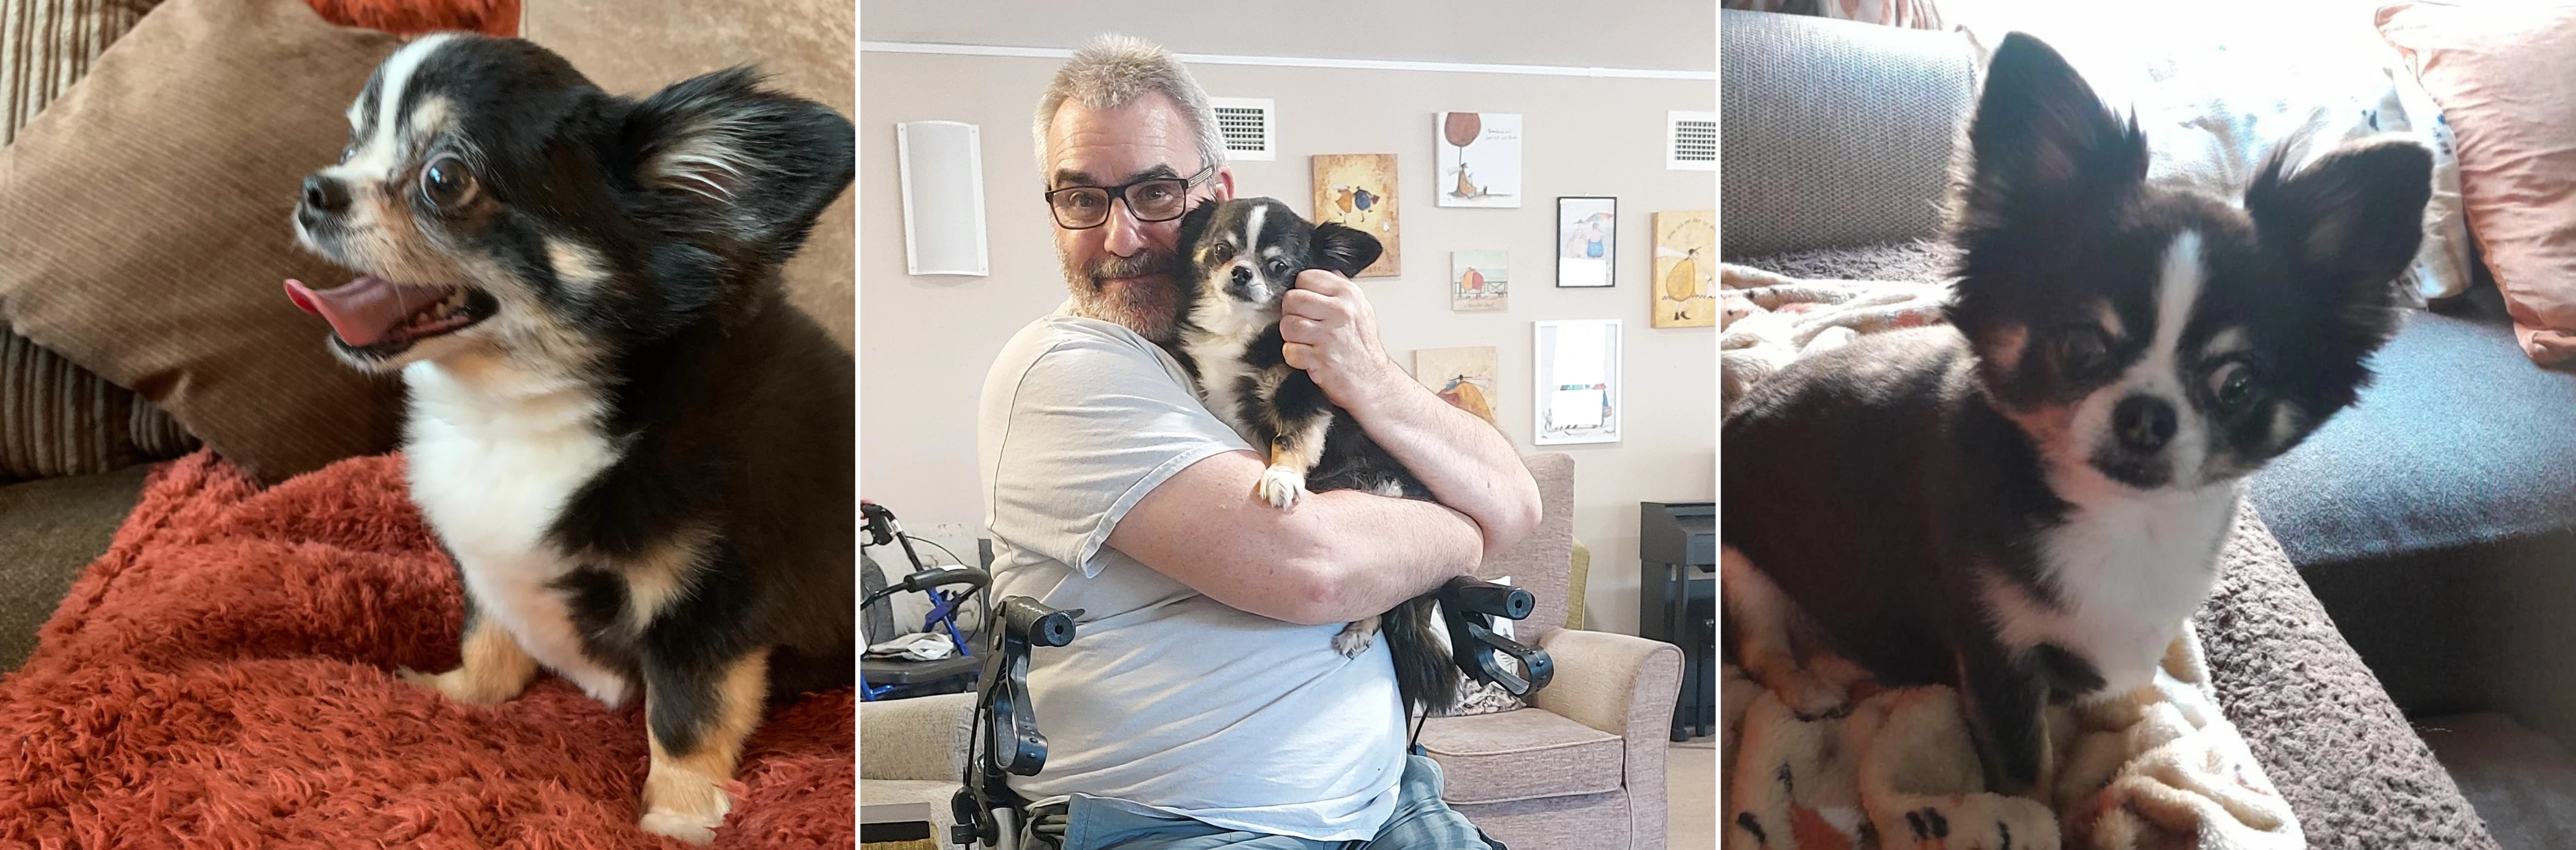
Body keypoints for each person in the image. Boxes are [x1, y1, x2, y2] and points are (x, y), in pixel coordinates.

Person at [975, 33, 1545, 850]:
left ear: (1217, 200)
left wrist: (1372, 377)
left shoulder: (1279, 355)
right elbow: (1315, 571)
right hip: (1188, 828)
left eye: (1155, 192)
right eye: (1082, 199)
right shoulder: (1064, 370)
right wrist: (1467, 530)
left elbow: (1518, 499)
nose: (1122, 236)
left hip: (1389, 803)